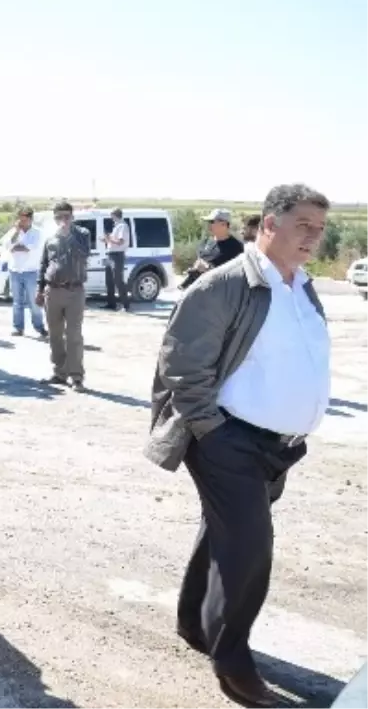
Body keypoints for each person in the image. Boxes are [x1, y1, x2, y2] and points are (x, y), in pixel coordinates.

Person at [147, 184, 330, 708]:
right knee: (249, 548)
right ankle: (232, 658)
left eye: (319, 229)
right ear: (269, 224)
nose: (312, 238)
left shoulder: (301, 286)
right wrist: (212, 431)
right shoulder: (226, 284)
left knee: (223, 533)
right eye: (303, 226)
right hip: (229, 439)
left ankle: (193, 622)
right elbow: (181, 364)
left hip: (277, 446)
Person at [35, 200, 90, 390]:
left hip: (75, 291)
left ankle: (76, 377)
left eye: (66, 216)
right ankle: (60, 372)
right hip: (53, 290)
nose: (63, 220)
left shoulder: (82, 234)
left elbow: (84, 253)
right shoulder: (50, 237)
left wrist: (68, 236)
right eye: (59, 217)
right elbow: (43, 264)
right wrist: (40, 289)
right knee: (55, 335)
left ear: (72, 217)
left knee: (73, 335)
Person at [179, 209, 245, 292]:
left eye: (212, 222)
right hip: (199, 291)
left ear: (224, 224)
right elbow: (200, 259)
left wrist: (208, 269)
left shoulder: (237, 248)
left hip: (220, 295)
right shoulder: (206, 242)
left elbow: (238, 276)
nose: (209, 225)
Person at [8, 206, 47, 337]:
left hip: (31, 271)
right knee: (17, 302)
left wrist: (17, 247)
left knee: (34, 302)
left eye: (24, 220)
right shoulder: (15, 231)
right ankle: (18, 328)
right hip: (15, 271)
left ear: (30, 219)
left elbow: (31, 247)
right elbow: (8, 246)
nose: (22, 222)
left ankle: (39, 326)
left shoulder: (37, 232)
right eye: (20, 219)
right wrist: (16, 233)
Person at [103, 208, 131, 311]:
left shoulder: (123, 226)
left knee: (118, 280)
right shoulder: (116, 226)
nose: (111, 218)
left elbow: (120, 242)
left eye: (112, 215)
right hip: (110, 254)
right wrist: (106, 240)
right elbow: (113, 241)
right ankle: (111, 303)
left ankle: (125, 305)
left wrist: (109, 238)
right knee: (109, 279)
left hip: (117, 255)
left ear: (115, 215)